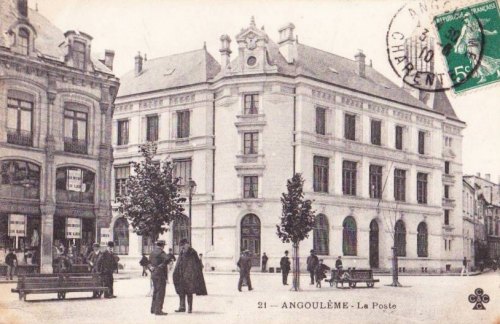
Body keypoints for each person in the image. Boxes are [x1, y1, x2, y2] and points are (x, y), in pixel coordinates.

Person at [173, 239, 207, 313]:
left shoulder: (192, 252)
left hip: (189, 276)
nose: (182, 247)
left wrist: (193, 274)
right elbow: (179, 263)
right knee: (181, 292)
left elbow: (196, 264)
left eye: (183, 245)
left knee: (189, 293)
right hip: (181, 275)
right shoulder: (182, 252)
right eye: (181, 246)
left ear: (187, 244)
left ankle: (189, 308)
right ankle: (182, 307)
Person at [149, 240, 170, 316]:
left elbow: (148, 262)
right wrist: (162, 265)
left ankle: (153, 309)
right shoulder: (161, 252)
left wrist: (151, 268)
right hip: (160, 274)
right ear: (162, 245)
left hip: (153, 273)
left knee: (155, 291)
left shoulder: (152, 252)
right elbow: (168, 259)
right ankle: (158, 310)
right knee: (160, 292)